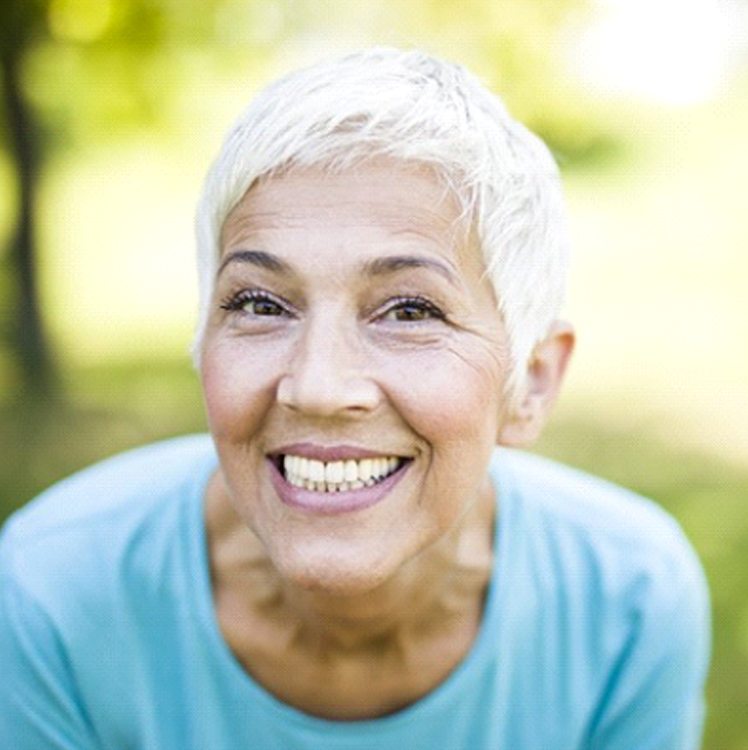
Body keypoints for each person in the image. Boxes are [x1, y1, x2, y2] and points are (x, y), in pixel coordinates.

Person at [0, 48, 709, 749]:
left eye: (409, 312)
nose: (317, 386)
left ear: (531, 383)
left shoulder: (628, 602)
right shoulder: (51, 597)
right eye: (259, 303)